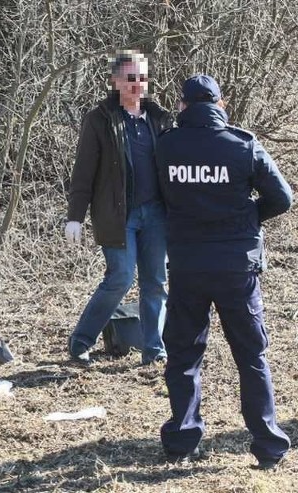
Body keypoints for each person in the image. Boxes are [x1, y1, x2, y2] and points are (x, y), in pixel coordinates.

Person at [156, 74, 292, 469]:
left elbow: (154, 197)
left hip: (187, 265)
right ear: (220, 103)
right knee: (251, 356)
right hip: (236, 266)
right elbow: (281, 197)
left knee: (183, 355)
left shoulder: (166, 147)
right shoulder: (243, 144)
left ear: (182, 106)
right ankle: (268, 446)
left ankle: (182, 441)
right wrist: (247, 217)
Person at [65, 49, 172, 365]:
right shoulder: (99, 119)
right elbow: (83, 172)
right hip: (117, 215)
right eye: (130, 78)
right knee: (121, 277)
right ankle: (80, 341)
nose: (137, 84)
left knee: (155, 282)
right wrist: (75, 217)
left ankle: (154, 350)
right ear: (115, 81)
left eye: (141, 78)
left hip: (155, 215)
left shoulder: (159, 119)